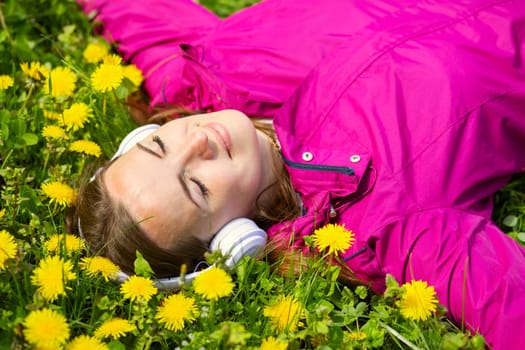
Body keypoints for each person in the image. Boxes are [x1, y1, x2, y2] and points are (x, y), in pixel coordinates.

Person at [72, 0, 525, 348]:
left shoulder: (198, 81)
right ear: (233, 242)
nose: (196, 142)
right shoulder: (385, 225)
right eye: (196, 186)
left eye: (158, 145)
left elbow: (137, 12)